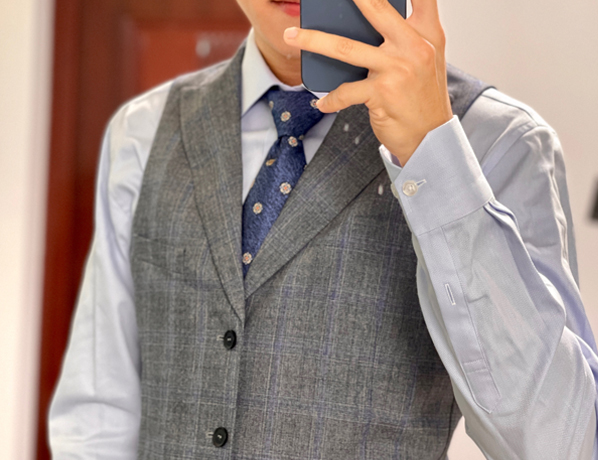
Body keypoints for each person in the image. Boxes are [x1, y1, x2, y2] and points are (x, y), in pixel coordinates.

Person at [49, 0, 598, 458]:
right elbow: (97, 412)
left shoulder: (499, 142)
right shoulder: (142, 133)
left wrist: (433, 153)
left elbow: (559, 444)